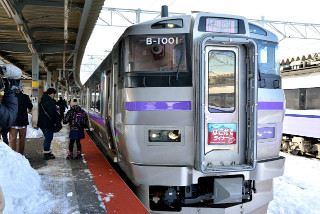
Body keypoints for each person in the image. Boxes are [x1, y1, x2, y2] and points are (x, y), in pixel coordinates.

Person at [9, 85, 33, 155]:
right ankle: (20, 155)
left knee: (12, 139)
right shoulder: (25, 97)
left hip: (13, 122)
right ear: (20, 89)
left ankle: (12, 155)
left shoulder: (10, 97)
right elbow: (30, 106)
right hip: (23, 122)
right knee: (22, 140)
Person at [37, 88, 61, 160]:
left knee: (47, 137)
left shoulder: (43, 100)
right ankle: (46, 154)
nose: (54, 96)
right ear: (52, 94)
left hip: (43, 122)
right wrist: (58, 117)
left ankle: (47, 152)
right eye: (54, 94)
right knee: (48, 138)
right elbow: (52, 112)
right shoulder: (49, 101)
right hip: (47, 123)